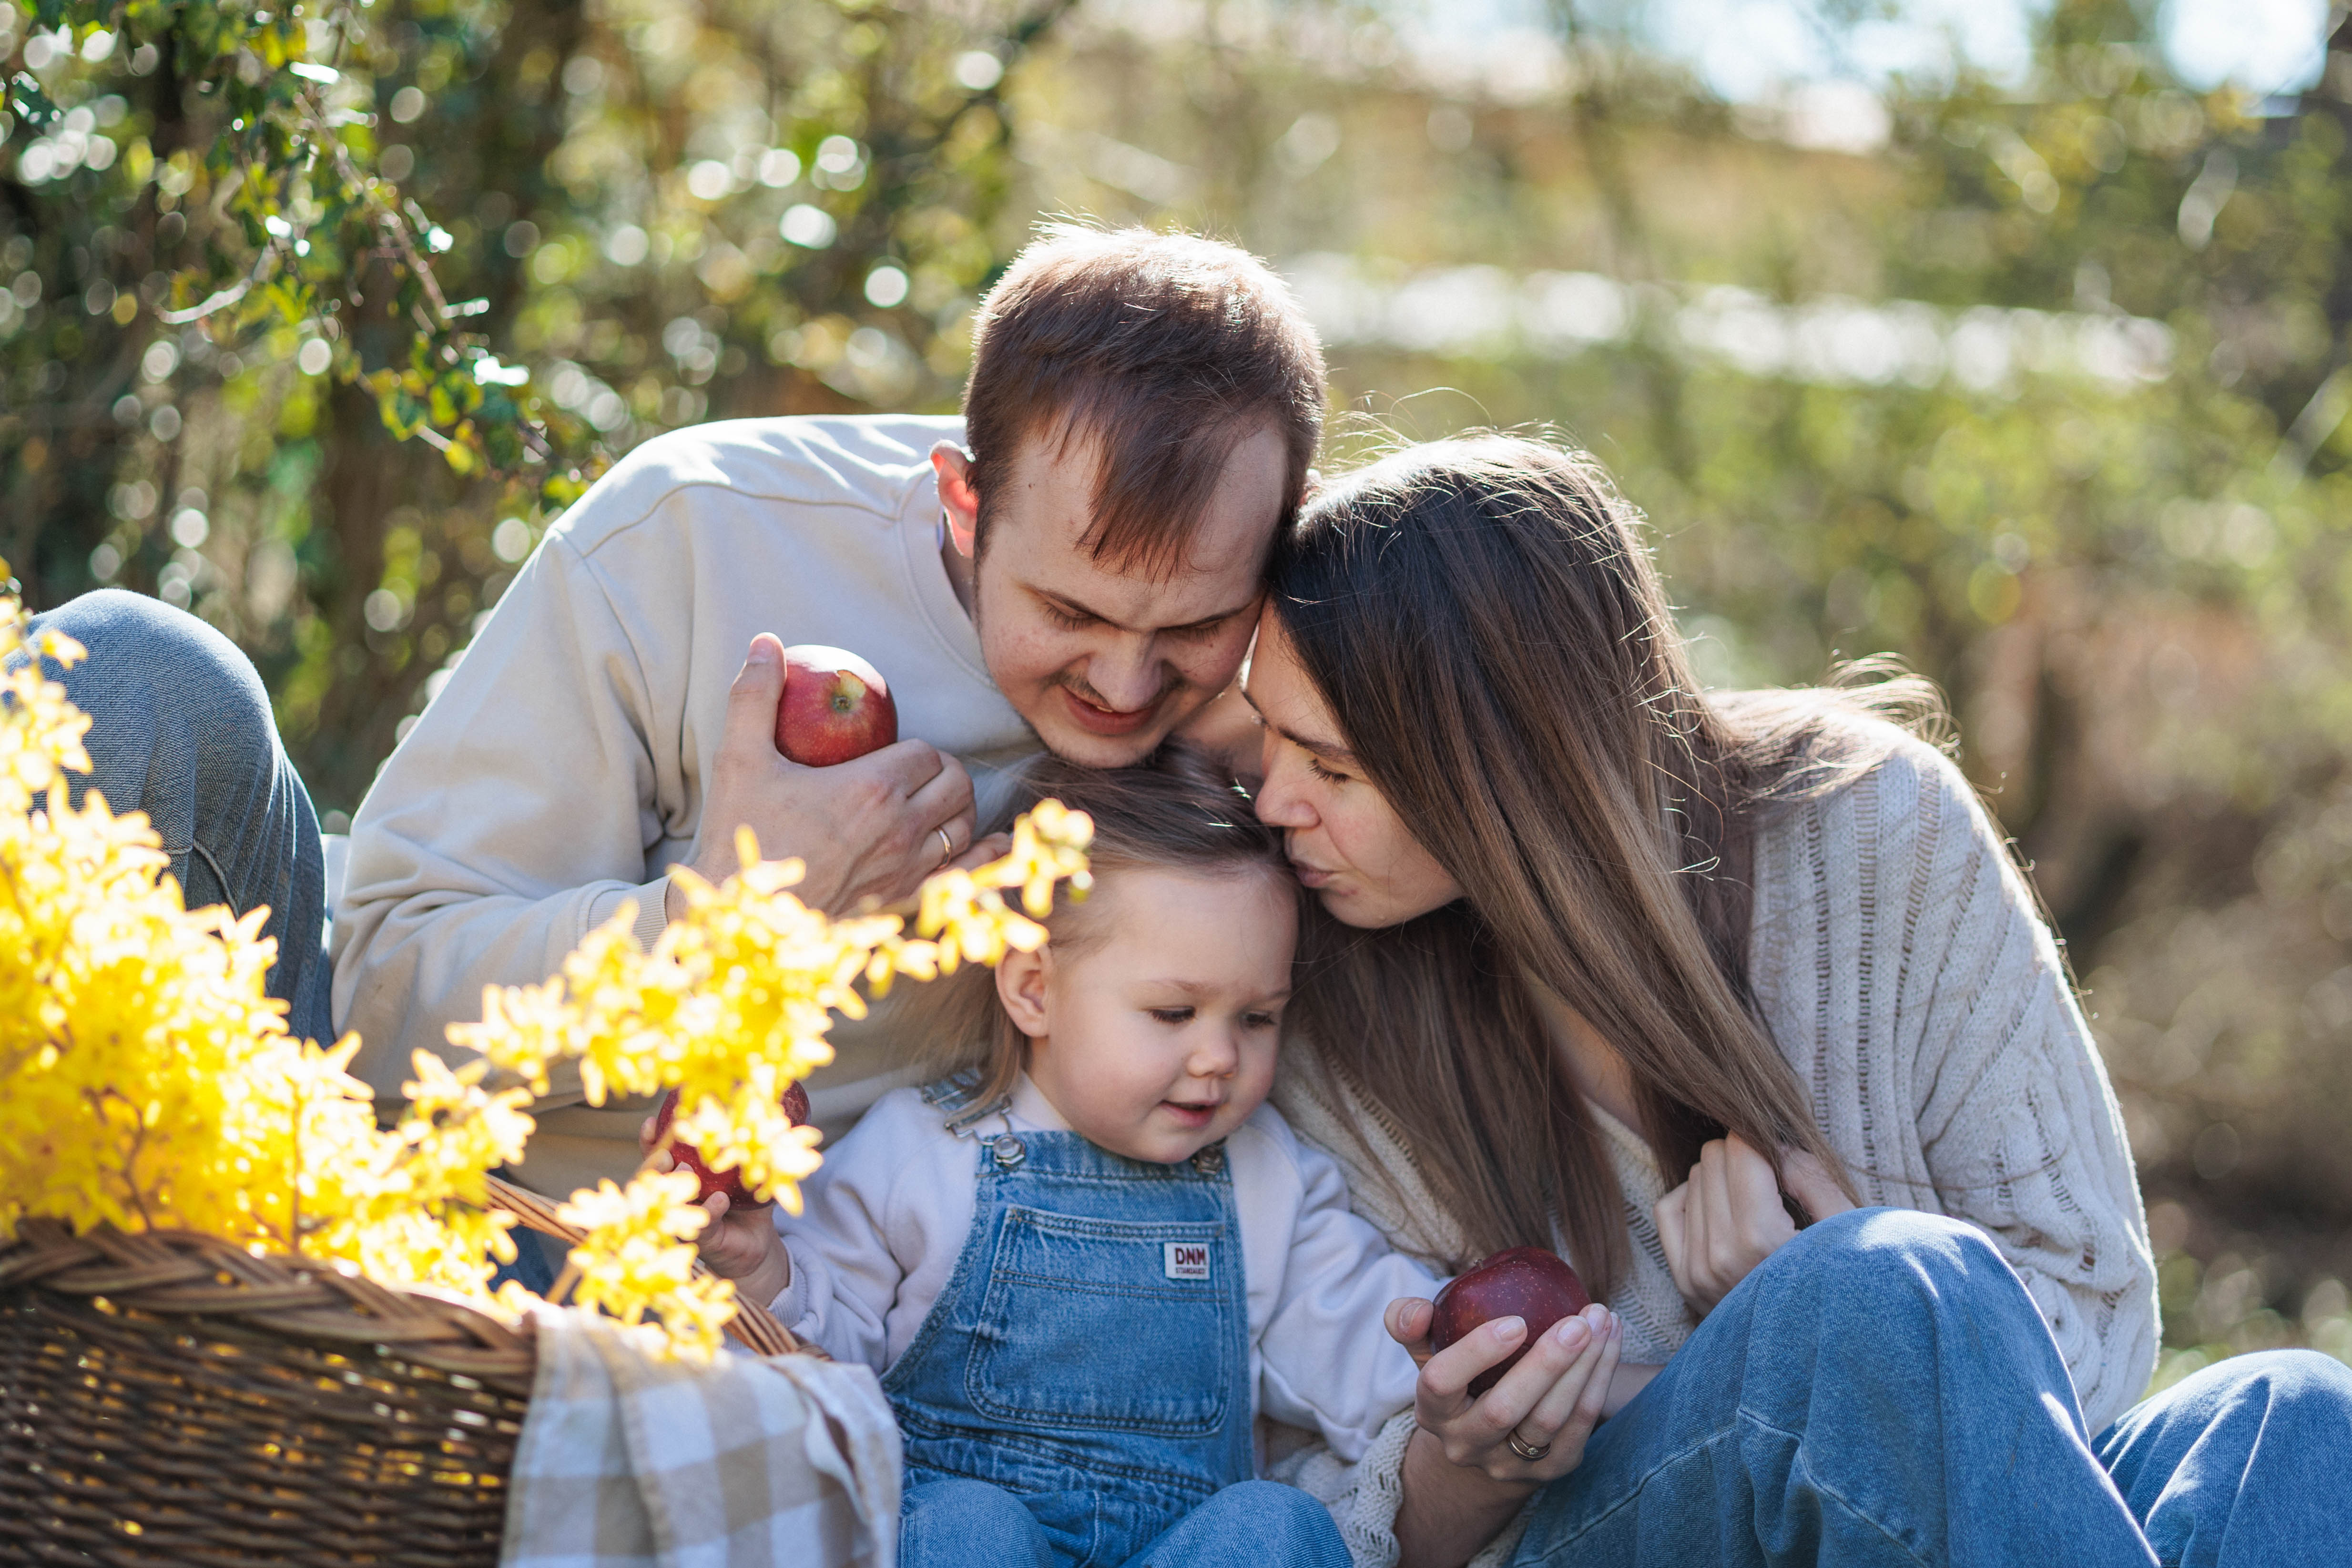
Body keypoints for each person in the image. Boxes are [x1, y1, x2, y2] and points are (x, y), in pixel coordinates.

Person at [25, 224, 1322, 1215]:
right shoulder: (697, 535)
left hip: (767, 1295)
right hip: (422, 1172)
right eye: (1070, 612)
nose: (1127, 684)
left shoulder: (1299, 706)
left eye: (1193, 631)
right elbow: (375, 1000)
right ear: (967, 507)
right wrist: (711, 929)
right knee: (137, 673)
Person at [1236, 435, 2352, 1567]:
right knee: (1868, 1294)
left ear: (1503, 770)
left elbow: (2097, 1305)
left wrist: (1833, 1330)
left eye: (1329, 769)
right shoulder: (1308, 1005)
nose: (1274, 799)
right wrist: (1459, 1467)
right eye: (1263, 736)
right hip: (1579, 1540)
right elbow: (1298, 1491)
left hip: (1955, 1514)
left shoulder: (1875, 828)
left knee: (2289, 1416)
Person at [669, 746, 1461, 1568]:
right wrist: (761, 1272)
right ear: (1035, 990)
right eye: (1174, 1011)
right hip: (962, 1540)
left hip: (1175, 1548)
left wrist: (1476, 1363)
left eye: (1258, 1019)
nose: (1220, 1055)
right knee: (967, 1527)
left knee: (1277, 1524)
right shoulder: (923, 1149)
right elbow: (824, 1355)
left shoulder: (1263, 1175)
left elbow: (1363, 1334)